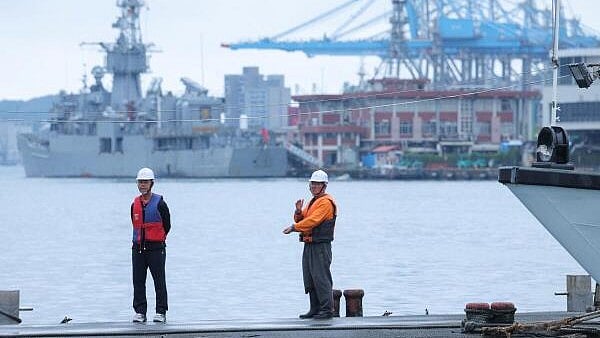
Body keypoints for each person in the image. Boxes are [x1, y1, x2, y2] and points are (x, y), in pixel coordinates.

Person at [283, 169, 337, 320]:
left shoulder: (325, 203)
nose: (313, 187)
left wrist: (294, 228)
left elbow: (313, 221)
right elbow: (302, 220)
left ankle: (326, 310)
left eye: (317, 184)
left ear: (324, 186)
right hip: (309, 245)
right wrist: (298, 211)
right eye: (312, 184)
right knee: (309, 277)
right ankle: (314, 308)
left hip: (320, 246)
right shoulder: (313, 201)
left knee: (321, 277)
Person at [131, 167, 171, 323]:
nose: (142, 185)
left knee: (159, 280)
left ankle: (161, 311)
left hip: (156, 248)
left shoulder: (160, 203)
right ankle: (140, 312)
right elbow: (135, 223)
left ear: (151, 183)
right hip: (139, 248)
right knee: (138, 281)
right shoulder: (134, 204)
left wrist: (158, 239)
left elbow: (167, 224)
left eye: (145, 182)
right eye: (140, 182)